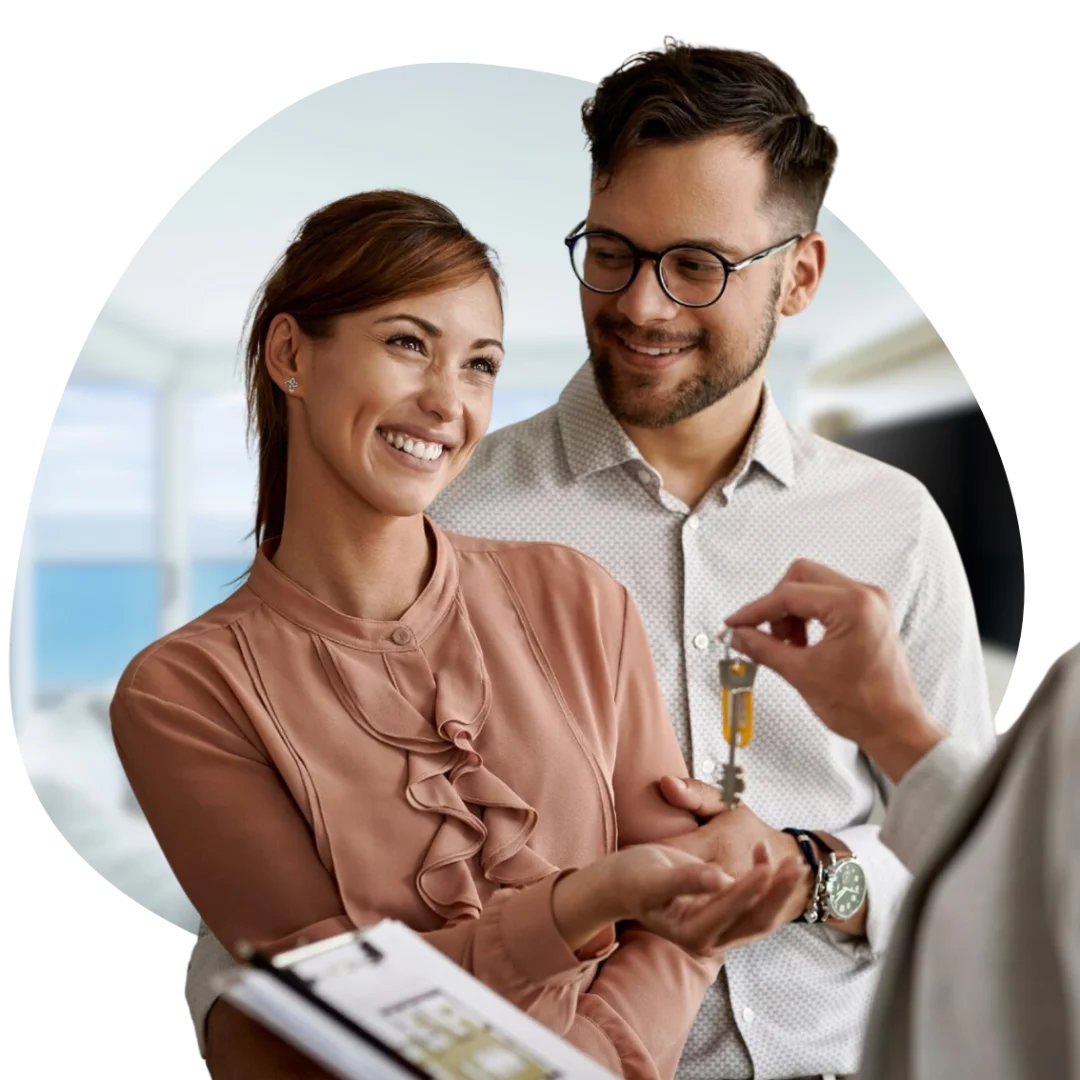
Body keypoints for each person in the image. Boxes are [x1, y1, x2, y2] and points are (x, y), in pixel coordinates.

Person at [186, 41, 1001, 1080]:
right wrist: (243, 1015)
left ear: (799, 277)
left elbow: (972, 862)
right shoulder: (451, 509)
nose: (643, 306)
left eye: (697, 266)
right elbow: (285, 877)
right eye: (612, 253)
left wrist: (809, 875)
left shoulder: (894, 524)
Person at [111, 189, 812, 1080]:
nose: (448, 402)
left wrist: (592, 1059)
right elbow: (329, 1002)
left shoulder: (577, 597)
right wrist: (584, 903)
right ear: (290, 353)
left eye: (480, 365)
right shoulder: (184, 692)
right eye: (409, 344)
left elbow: (687, 919)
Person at [661, 559, 1078, 1080]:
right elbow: (1006, 863)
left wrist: (811, 873)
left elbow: (1005, 893)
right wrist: (893, 728)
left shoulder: (906, 530)